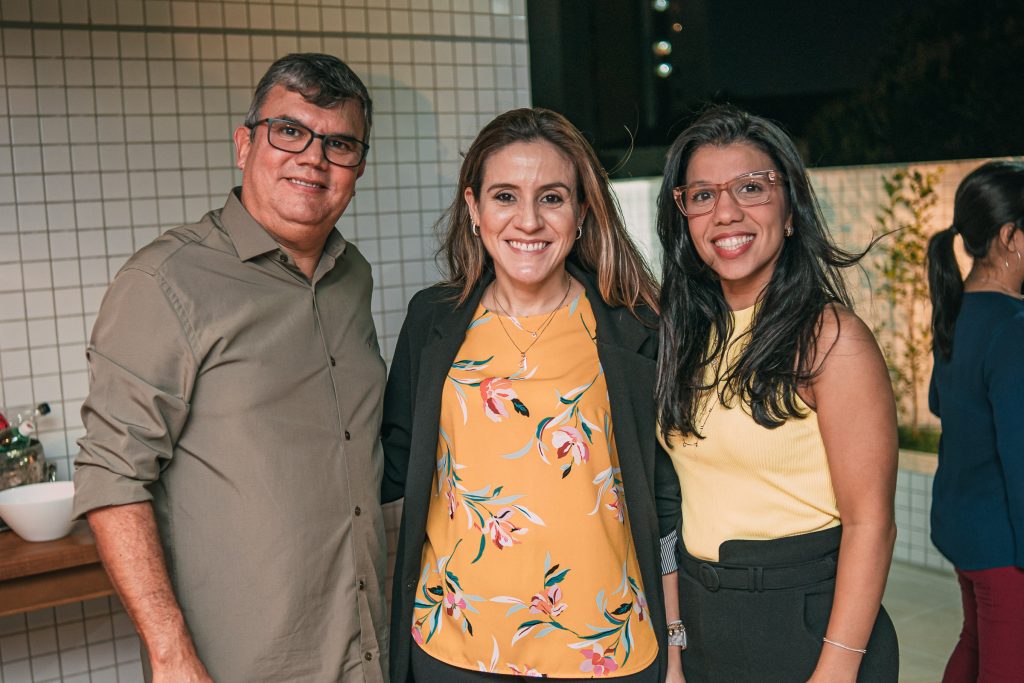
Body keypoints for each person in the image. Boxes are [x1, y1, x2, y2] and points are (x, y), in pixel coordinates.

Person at [73, 53, 389, 683]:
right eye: (289, 131)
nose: (313, 158)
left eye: (340, 143)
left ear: (357, 166)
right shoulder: (166, 281)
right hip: (240, 664)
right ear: (245, 145)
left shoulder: (352, 276)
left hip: (365, 650)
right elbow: (111, 474)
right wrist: (169, 654)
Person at [381, 107, 681, 682]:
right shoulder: (432, 320)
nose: (528, 221)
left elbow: (665, 499)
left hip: (606, 651)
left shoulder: (635, 326)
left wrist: (674, 645)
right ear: (474, 209)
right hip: (454, 647)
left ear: (582, 212)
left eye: (551, 197)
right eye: (504, 197)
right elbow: (392, 459)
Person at [654, 104, 899, 682]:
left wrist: (836, 669)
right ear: (684, 216)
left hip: (806, 621)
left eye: (751, 188)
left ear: (790, 210)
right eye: (704, 195)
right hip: (707, 615)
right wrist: (677, 641)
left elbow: (872, 523)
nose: (727, 212)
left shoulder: (829, 337)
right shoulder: (685, 333)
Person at [926, 160, 1024, 682]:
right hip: (1005, 545)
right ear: (1010, 236)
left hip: (963, 529)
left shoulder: (956, 310)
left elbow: (941, 403)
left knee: (976, 645)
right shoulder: (1013, 327)